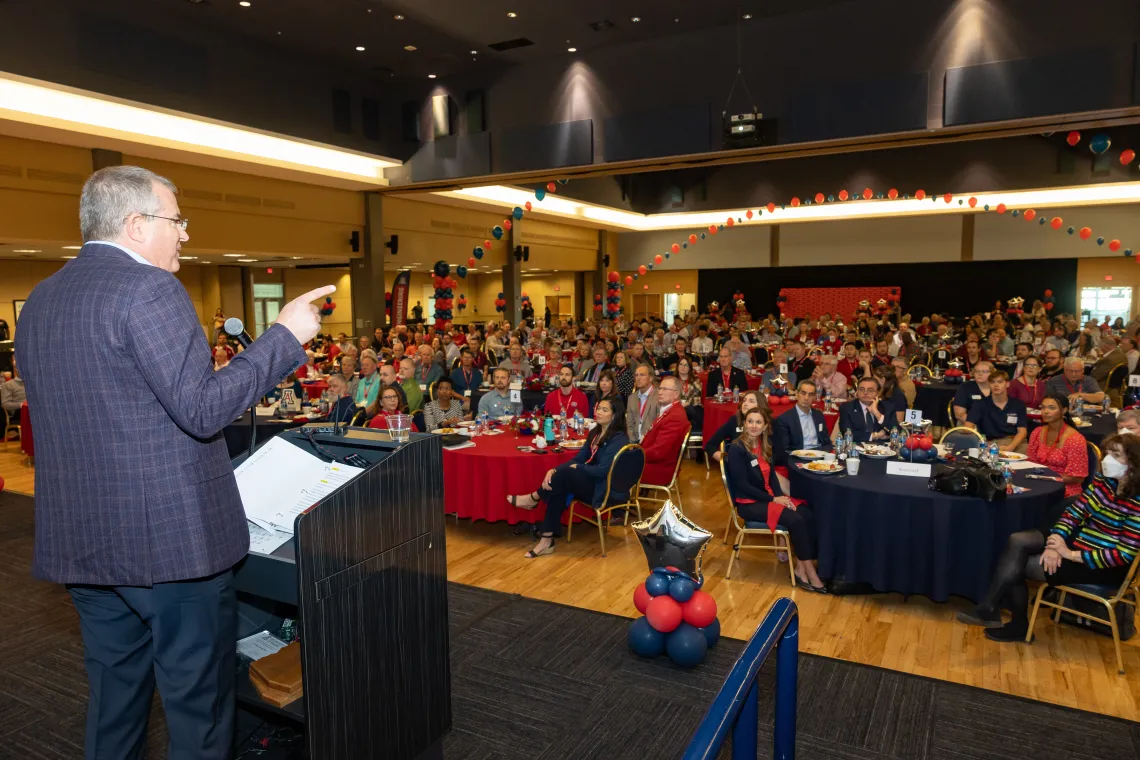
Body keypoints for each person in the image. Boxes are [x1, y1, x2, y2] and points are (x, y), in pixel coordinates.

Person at [16, 165, 331, 759]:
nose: (185, 234)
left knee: (114, 699)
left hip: (85, 541)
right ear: (137, 225)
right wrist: (283, 336)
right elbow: (203, 409)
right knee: (198, 710)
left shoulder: (43, 300)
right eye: (176, 221)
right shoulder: (149, 289)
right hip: (168, 546)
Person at [959, 433, 1140, 641]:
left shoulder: (1137, 502)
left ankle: (1015, 624)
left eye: (1116, 455)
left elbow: (1124, 554)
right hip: (1081, 542)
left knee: (1019, 564)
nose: (1107, 459)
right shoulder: (1105, 482)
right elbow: (1074, 512)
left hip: (1103, 565)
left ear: (1133, 462)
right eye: (1107, 453)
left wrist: (1069, 554)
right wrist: (1056, 542)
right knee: (1018, 541)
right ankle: (990, 607)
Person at [509, 398, 630, 557]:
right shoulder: (595, 432)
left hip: (604, 488)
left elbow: (602, 471)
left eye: (605, 410)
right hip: (592, 481)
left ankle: (535, 498)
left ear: (614, 415)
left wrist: (576, 468)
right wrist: (553, 469)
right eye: (598, 408)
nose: (599, 412)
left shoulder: (618, 439)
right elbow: (579, 459)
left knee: (565, 477)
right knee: (560, 484)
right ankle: (546, 540)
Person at [727, 407, 826, 592]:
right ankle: (809, 570)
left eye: (758, 422)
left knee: (807, 513)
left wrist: (780, 496)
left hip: (768, 498)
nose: (754, 426)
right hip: (749, 503)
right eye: (750, 421)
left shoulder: (763, 446)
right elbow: (743, 486)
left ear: (765, 427)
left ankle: (800, 566)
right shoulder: (737, 449)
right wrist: (773, 499)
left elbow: (771, 476)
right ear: (744, 424)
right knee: (795, 519)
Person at [1025, 393, 1089, 498]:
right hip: (1038, 482)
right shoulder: (1037, 432)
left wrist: (1047, 478)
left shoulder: (1075, 439)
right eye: (1043, 407)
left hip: (1064, 489)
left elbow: (1077, 478)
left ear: (1064, 410)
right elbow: (1030, 462)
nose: (1045, 411)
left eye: (1052, 408)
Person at [638, 376, 691, 486]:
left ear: (676, 394)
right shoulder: (670, 410)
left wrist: (636, 454)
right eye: (660, 388)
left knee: (613, 466)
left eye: (665, 389)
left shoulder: (674, 416)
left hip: (659, 469)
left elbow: (658, 452)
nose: (660, 392)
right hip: (654, 463)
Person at [773, 380, 834, 466]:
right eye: (803, 393)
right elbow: (783, 451)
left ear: (814, 397)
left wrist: (823, 453)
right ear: (797, 394)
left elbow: (826, 442)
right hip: (799, 460)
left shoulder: (818, 415)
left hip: (819, 457)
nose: (806, 398)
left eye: (810, 394)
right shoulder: (784, 419)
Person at [965, 370, 1028, 451]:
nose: (996, 385)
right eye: (992, 382)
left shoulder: (1018, 404)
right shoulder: (980, 404)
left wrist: (1011, 447)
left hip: (1015, 442)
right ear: (989, 385)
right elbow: (968, 426)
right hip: (991, 443)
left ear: (1007, 384)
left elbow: (1022, 431)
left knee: (1029, 453)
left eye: (1000, 382)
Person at [704, 391, 765, 461]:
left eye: (751, 401)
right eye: (744, 400)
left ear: (760, 405)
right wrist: (727, 460)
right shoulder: (735, 421)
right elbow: (710, 446)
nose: (745, 404)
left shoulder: (767, 423)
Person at [838, 376, 895, 443]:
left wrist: (876, 413)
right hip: (857, 448)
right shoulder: (847, 408)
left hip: (883, 449)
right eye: (861, 389)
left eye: (870, 390)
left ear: (878, 392)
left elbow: (894, 430)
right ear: (857, 391)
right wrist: (876, 435)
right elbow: (847, 434)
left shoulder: (887, 407)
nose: (865, 393)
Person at [626, 364, 658, 443]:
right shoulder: (632, 398)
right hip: (635, 442)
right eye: (636, 375)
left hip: (652, 442)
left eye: (642, 375)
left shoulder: (659, 397)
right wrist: (633, 443)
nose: (638, 378)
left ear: (650, 378)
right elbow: (629, 424)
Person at [1, 360, 26, 426]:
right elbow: (5, 404)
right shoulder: (7, 385)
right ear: (14, 369)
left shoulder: (33, 384)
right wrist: (22, 405)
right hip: (18, 413)